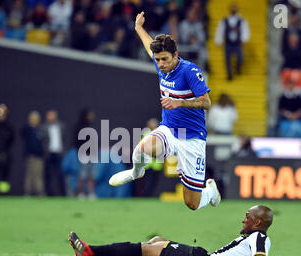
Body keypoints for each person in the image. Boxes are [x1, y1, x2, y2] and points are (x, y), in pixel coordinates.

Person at [109, 11, 221, 212]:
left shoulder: (190, 71)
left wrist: (180, 103)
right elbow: (148, 45)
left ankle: (210, 192)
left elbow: (206, 102)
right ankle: (136, 173)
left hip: (192, 137)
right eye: (158, 60)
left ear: (175, 55)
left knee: (192, 203)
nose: (160, 64)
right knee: (143, 147)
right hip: (169, 129)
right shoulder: (162, 65)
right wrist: (138, 27)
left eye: (164, 59)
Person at [69, 205, 273, 256]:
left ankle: (89, 251)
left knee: (147, 248)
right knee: (158, 240)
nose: (242, 220)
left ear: (257, 223)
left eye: (247, 217)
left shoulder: (259, 237)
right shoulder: (255, 238)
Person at [214, 3, 250, 81]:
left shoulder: (242, 20)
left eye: (235, 7)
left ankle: (237, 68)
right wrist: (218, 41)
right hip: (228, 43)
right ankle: (229, 74)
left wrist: (244, 39)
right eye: (232, 8)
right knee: (227, 60)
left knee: (240, 58)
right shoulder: (224, 20)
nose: (233, 9)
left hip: (237, 43)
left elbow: (245, 30)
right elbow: (220, 31)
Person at [21, 110, 46, 196]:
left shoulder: (40, 129)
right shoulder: (28, 129)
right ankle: (27, 192)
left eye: (36, 119)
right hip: (30, 156)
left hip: (39, 156)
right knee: (29, 175)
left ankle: (39, 192)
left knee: (38, 175)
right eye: (32, 119)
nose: (34, 120)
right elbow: (22, 132)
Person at [74, 108, 97, 199]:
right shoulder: (79, 126)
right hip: (83, 154)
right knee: (82, 175)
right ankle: (81, 193)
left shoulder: (91, 126)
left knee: (92, 175)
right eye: (90, 114)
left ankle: (91, 193)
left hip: (92, 154)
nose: (91, 116)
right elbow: (75, 141)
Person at [43, 109, 66, 197]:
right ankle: (49, 193)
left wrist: (64, 150)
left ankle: (62, 194)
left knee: (60, 174)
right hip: (49, 153)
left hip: (59, 153)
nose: (50, 117)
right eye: (49, 115)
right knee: (48, 175)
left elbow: (65, 139)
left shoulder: (61, 126)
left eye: (52, 115)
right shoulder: (44, 127)